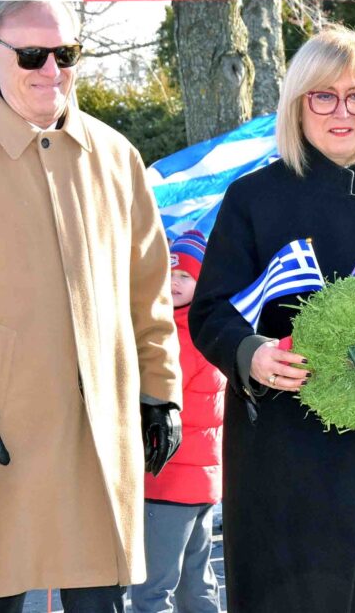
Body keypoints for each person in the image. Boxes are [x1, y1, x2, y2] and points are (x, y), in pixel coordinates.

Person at [0, 1, 182, 611]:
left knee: (100, 602)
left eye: (65, 54)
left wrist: (161, 391)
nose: (50, 68)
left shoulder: (116, 156)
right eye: (31, 55)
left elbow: (147, 290)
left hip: (102, 432)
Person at [189, 25, 355, 612]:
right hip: (285, 464)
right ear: (297, 103)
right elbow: (211, 311)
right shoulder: (253, 198)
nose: (343, 111)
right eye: (324, 95)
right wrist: (251, 354)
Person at [131, 231, 226, 613]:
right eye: (168, 273)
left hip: (168, 479)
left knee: (153, 590)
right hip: (198, 482)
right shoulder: (210, 327)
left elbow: (154, 390)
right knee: (194, 582)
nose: (173, 282)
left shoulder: (178, 336)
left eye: (185, 275)